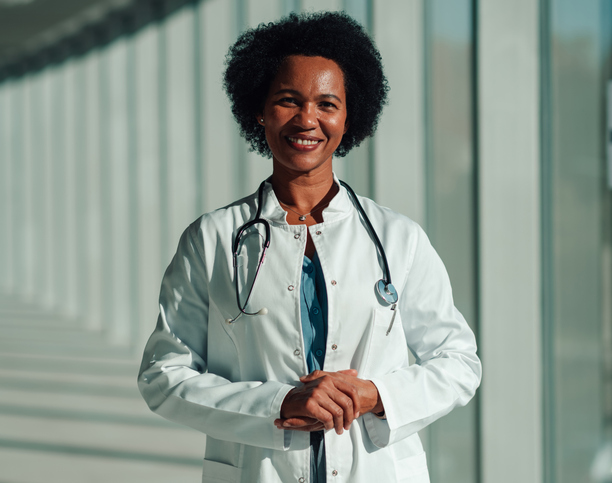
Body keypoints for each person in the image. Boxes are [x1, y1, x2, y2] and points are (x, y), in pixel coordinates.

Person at [137, 11, 481, 483]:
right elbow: (163, 376)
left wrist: (373, 395)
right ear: (259, 109)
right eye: (288, 100)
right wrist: (277, 404)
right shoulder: (212, 239)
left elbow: (458, 363)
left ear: (348, 115)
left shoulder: (398, 239)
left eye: (327, 104)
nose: (307, 120)